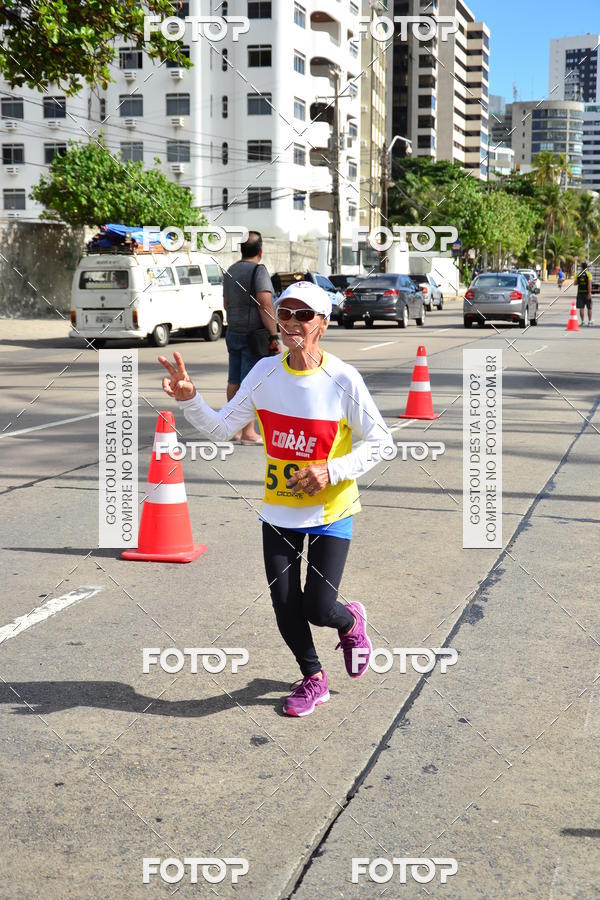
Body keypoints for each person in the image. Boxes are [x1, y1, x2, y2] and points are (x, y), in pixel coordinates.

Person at [159, 281, 395, 718]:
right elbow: (219, 429)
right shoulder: (265, 373)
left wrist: (331, 469)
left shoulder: (342, 378)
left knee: (318, 607)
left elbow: (382, 443)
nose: (291, 323)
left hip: (331, 511)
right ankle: (313, 677)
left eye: (303, 316)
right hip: (279, 510)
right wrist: (191, 401)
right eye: (284, 314)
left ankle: (350, 622)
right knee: (285, 604)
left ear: (322, 324)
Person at [223, 231, 281, 443]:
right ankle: (247, 432)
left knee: (234, 381)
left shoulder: (230, 271)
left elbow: (225, 303)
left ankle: (234, 429)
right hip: (252, 336)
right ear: (260, 251)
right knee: (250, 383)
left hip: (233, 332)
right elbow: (265, 304)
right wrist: (274, 335)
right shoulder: (259, 270)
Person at [576, 260, 593, 326]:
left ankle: (582, 322)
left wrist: (580, 281)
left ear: (581, 267)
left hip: (580, 293)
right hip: (586, 293)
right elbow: (589, 284)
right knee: (589, 308)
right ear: (587, 267)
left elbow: (575, 283)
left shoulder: (578, 274)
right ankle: (589, 321)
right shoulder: (588, 274)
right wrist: (589, 293)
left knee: (581, 308)